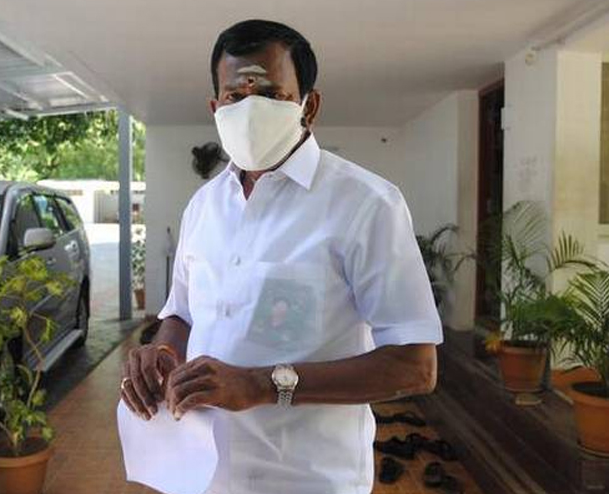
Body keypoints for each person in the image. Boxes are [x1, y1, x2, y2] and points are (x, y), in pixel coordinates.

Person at [120, 18, 443, 494]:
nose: (250, 109)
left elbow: (415, 366)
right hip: (202, 475)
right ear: (215, 107)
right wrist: (162, 354)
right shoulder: (204, 206)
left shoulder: (366, 204)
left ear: (308, 106)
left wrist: (261, 385)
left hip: (307, 479)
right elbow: (182, 314)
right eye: (235, 96)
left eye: (271, 95)